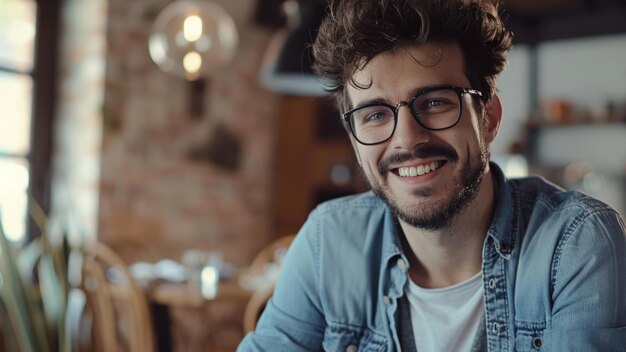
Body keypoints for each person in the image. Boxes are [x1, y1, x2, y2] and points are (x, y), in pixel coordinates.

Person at [238, 0, 626, 350]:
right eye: (375, 115)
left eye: (435, 102)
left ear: (488, 118)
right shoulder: (329, 243)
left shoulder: (576, 246)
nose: (407, 139)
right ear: (354, 139)